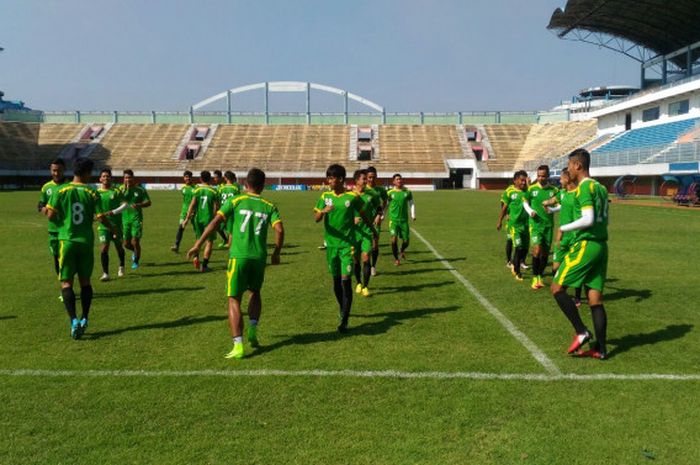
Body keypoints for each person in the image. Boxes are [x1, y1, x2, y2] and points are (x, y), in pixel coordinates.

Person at [188, 168, 284, 359]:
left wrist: (198, 244)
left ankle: (238, 345)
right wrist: (276, 253)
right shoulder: (269, 205)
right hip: (259, 258)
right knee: (255, 292)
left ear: (245, 184)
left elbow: (215, 222)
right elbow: (280, 230)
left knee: (234, 299)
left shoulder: (236, 200)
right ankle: (253, 328)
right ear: (262, 185)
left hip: (238, 256)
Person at [45, 158, 115, 339]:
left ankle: (73, 320)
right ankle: (84, 318)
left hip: (66, 241)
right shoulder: (92, 193)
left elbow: (51, 215)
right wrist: (113, 229)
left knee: (66, 282)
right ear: (86, 172)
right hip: (85, 242)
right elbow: (100, 217)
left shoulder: (61, 190)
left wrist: (58, 215)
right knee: (85, 282)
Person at [551, 148, 610, 360]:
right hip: (602, 246)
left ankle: (581, 331)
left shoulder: (585, 187)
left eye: (568, 166)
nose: (568, 170)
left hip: (586, 244)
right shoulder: (601, 188)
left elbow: (588, 219)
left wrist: (563, 228)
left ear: (577, 165)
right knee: (595, 298)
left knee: (557, 287)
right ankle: (601, 349)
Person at [314, 164, 377, 332]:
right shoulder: (325, 196)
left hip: (346, 247)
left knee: (345, 281)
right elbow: (316, 218)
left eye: (332, 178)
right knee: (336, 283)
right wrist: (324, 211)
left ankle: (345, 320)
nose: (329, 181)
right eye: (328, 178)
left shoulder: (352, 197)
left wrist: (372, 230)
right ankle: (343, 309)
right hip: (331, 246)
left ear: (340, 179)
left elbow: (363, 214)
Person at [543, 169, 583, 307]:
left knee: (577, 269)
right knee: (555, 268)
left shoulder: (579, 194)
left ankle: (577, 297)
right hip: (561, 237)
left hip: (575, 236)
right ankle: (559, 290)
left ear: (568, 179)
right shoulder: (563, 193)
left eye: (561, 178)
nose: (559, 181)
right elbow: (553, 201)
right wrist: (546, 203)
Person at [525, 165, 559, 290]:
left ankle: (540, 275)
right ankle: (535, 277)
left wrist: (552, 210)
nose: (540, 178)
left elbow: (560, 204)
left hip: (548, 225)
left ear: (548, 176)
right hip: (535, 224)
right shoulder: (532, 189)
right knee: (537, 250)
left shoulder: (554, 190)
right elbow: (525, 202)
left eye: (543, 176)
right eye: (538, 175)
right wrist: (530, 211)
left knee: (545, 253)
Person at [352, 169, 382, 297]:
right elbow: (343, 212)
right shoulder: (350, 195)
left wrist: (378, 216)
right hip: (353, 233)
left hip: (367, 231)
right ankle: (358, 282)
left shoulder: (372, 194)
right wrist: (352, 219)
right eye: (363, 179)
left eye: (366, 179)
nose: (366, 181)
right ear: (356, 181)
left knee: (365, 257)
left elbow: (379, 208)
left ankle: (365, 286)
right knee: (356, 260)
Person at [38, 158, 67, 289]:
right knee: (57, 258)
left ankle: (70, 283)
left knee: (66, 259)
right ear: (50, 170)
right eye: (54, 170)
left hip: (67, 229)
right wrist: (47, 211)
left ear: (64, 170)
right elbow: (40, 205)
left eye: (59, 170)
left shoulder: (69, 186)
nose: (56, 173)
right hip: (53, 230)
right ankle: (64, 286)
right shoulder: (46, 187)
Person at [496, 170, 530, 281]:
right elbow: (504, 206)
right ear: (515, 180)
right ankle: (516, 270)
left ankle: (518, 262)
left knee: (525, 248)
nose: (524, 183)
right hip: (514, 225)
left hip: (526, 225)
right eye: (521, 180)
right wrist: (501, 220)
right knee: (518, 246)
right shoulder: (510, 191)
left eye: (525, 180)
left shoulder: (527, 191)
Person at [185, 170, 218, 272]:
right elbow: (216, 207)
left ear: (200, 179)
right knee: (209, 241)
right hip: (209, 219)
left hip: (198, 218)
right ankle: (204, 266)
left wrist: (187, 218)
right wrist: (214, 218)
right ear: (210, 179)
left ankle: (195, 257)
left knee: (199, 238)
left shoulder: (197, 190)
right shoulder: (214, 191)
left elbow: (192, 205)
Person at [97, 168, 126, 281]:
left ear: (111, 178)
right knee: (104, 248)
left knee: (119, 247)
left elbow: (125, 205)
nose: (105, 178)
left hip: (116, 225)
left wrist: (112, 212)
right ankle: (105, 273)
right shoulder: (97, 193)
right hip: (103, 225)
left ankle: (121, 265)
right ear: (100, 179)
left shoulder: (116, 191)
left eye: (107, 176)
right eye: (103, 176)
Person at [118, 170, 151, 270]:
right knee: (126, 244)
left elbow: (149, 202)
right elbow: (117, 200)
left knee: (135, 241)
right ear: (123, 179)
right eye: (126, 178)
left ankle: (136, 262)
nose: (127, 179)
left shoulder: (140, 190)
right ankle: (135, 252)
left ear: (133, 178)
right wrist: (125, 190)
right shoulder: (120, 189)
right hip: (124, 219)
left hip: (136, 219)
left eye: (129, 177)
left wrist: (139, 205)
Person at [387, 173, 416, 266]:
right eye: (397, 179)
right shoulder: (390, 193)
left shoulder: (407, 192)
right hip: (393, 221)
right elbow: (385, 205)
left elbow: (411, 203)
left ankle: (402, 250)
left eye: (400, 179)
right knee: (393, 240)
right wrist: (382, 215)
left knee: (406, 241)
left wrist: (413, 214)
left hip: (404, 221)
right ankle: (396, 259)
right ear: (393, 181)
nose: (399, 180)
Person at [366, 166, 388, 275]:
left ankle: (373, 266)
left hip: (375, 221)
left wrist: (381, 214)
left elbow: (385, 202)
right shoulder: (362, 189)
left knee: (375, 244)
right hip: (363, 222)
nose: (371, 179)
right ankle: (366, 265)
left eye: (373, 177)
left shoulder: (380, 190)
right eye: (369, 177)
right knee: (364, 246)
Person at [171, 170, 196, 252]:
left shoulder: (196, 188)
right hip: (184, 211)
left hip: (194, 212)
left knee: (196, 230)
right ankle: (176, 245)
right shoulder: (183, 188)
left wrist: (194, 211)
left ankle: (199, 244)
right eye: (186, 177)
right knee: (181, 227)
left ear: (191, 178)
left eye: (189, 177)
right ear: (184, 178)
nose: (187, 179)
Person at [218, 170, 242, 247]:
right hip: (231, 210)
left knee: (219, 227)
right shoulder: (235, 188)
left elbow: (217, 199)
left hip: (223, 210)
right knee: (230, 229)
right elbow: (239, 200)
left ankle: (228, 243)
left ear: (225, 178)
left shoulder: (221, 188)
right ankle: (228, 242)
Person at [499, 182, 516, 269]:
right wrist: (506, 214)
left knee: (523, 243)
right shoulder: (509, 190)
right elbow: (503, 203)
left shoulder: (526, 189)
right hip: (511, 221)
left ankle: (521, 261)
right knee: (510, 240)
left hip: (523, 222)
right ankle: (509, 261)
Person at [212, 169, 229, 247]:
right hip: (220, 210)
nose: (214, 179)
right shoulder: (218, 187)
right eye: (214, 177)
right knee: (218, 227)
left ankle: (228, 241)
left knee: (224, 227)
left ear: (220, 177)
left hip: (224, 210)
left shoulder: (223, 187)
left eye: (216, 177)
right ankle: (225, 240)